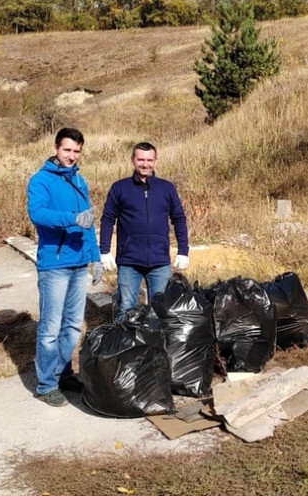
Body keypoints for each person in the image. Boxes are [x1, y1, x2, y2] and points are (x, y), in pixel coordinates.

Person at [27, 127, 103, 407]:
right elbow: (38, 214)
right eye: (67, 150)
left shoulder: (80, 182)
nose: (71, 156)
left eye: (76, 151)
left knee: (72, 326)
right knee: (50, 327)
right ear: (56, 148)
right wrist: (72, 218)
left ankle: (62, 373)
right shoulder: (40, 181)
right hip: (55, 265)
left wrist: (95, 257)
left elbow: (89, 222)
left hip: (79, 262)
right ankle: (46, 385)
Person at [99, 142, 189, 320]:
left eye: (149, 160)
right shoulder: (119, 188)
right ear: (133, 160)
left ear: (155, 161)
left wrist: (183, 251)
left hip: (159, 261)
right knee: (126, 309)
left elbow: (179, 219)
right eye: (140, 159)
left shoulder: (167, 188)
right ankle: (124, 347)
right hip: (129, 261)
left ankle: (155, 347)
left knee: (160, 311)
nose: (145, 164)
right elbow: (108, 219)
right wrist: (104, 250)